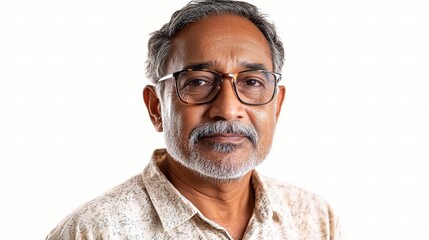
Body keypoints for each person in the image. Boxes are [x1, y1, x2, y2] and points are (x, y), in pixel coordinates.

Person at [46, 0, 342, 239]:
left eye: (251, 82)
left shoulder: (314, 218)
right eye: (198, 82)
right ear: (156, 107)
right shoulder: (96, 231)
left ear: (276, 106)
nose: (227, 109)